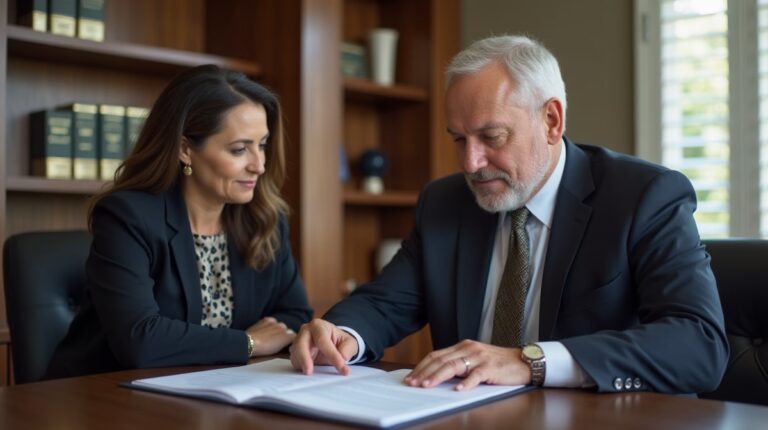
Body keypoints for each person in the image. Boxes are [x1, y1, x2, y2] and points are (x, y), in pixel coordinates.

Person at [290, 35, 729, 394]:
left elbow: (698, 345)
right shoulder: (446, 202)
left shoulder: (643, 197)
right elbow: (385, 303)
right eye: (459, 140)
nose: (470, 163)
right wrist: (341, 333)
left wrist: (528, 361)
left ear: (552, 121)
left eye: (491, 137)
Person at [46, 64, 313, 378]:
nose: (259, 165)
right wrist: (249, 342)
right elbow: (140, 340)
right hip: (102, 397)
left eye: (262, 145)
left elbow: (295, 316)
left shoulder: (265, 218)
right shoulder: (127, 216)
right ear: (186, 149)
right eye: (240, 149)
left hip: (215, 392)